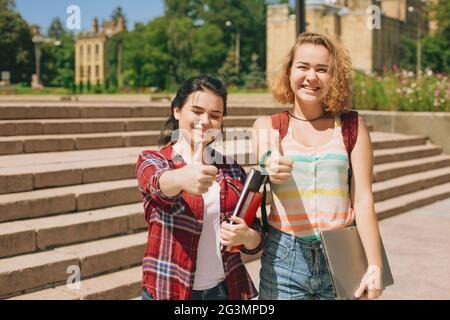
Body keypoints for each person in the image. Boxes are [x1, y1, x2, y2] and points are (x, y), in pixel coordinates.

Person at [252, 32, 384, 300]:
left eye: (322, 69)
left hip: (343, 252)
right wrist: (271, 162)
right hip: (285, 257)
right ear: (289, 72)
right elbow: (267, 156)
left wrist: (375, 264)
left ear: (333, 77)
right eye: (303, 67)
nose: (311, 77)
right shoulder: (268, 125)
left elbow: (363, 199)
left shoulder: (351, 126)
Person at [136, 74, 264, 300]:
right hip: (168, 290)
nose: (205, 121)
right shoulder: (153, 160)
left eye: (215, 115)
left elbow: (255, 237)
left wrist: (247, 236)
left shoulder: (231, 169)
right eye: (196, 111)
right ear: (177, 110)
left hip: (225, 290)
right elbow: (157, 184)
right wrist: (181, 178)